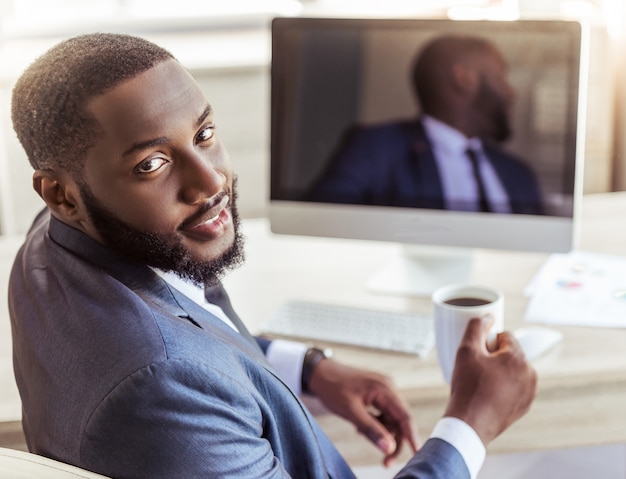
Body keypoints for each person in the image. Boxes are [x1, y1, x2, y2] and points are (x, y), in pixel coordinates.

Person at [8, 33, 537, 478]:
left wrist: (307, 370)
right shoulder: (159, 391)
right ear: (62, 194)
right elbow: (174, 366)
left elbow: (192, 319)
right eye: (152, 164)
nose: (210, 179)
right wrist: (469, 424)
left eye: (204, 133)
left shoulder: (55, 243)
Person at [308, 34, 543, 215]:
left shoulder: (518, 174)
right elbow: (318, 219)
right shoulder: (376, 149)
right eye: (500, 75)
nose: (511, 93)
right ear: (464, 79)